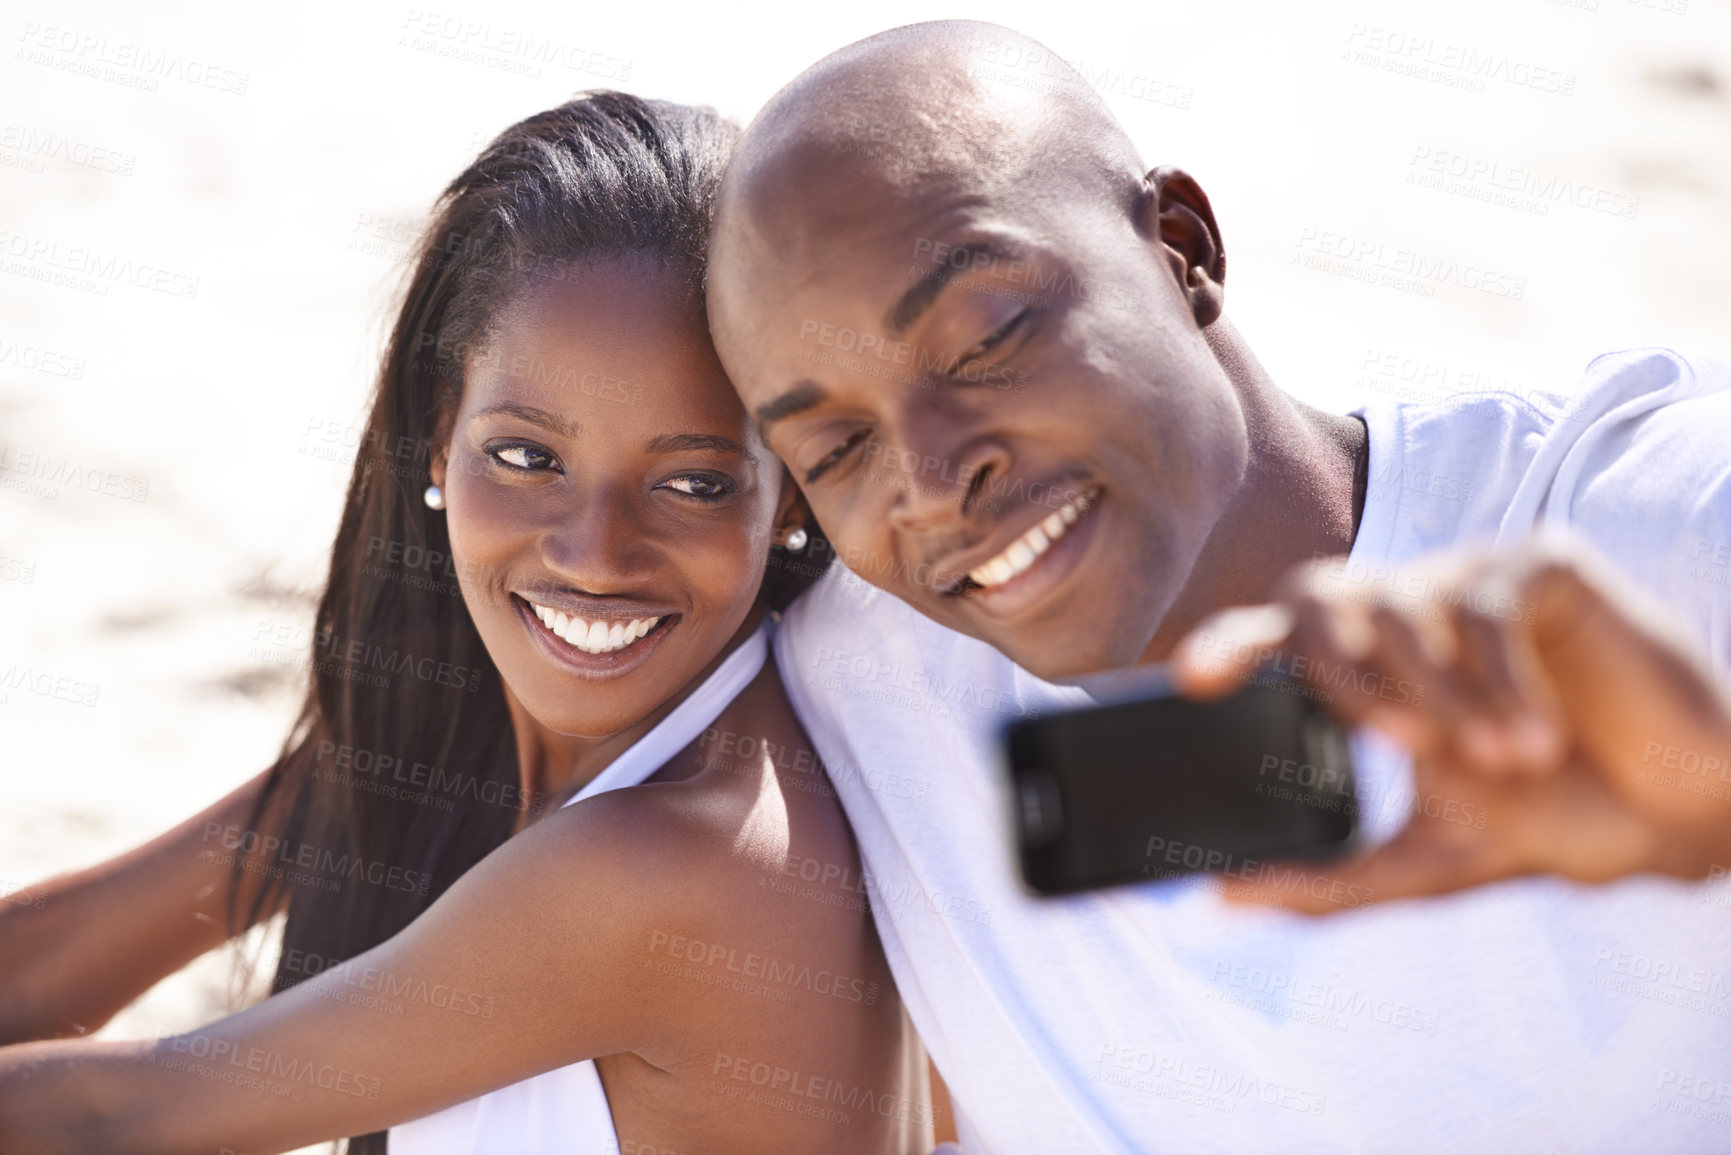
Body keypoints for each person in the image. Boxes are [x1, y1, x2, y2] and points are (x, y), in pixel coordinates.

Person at [703, 19, 1731, 1153]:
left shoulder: (1643, 536)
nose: (935, 482)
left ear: (1181, 249)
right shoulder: (856, 684)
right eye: (838, 451)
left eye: (987, 335)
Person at [0, 92, 932, 1155]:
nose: (593, 556)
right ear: (440, 441)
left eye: (692, 484)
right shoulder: (476, 722)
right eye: (528, 458)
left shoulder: (680, 860)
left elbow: (111, 1120)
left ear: (793, 492)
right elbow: (51, 963)